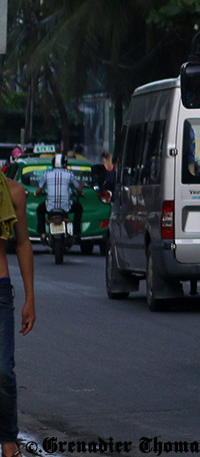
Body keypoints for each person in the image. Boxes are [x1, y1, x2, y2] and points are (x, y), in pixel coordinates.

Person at [0, 165, 35, 457]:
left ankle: (8, 441)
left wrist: (29, 298)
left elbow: (23, 243)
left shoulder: (13, 192)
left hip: (0, 291)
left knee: (3, 371)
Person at [35, 154, 82, 245]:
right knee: (78, 208)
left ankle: (43, 234)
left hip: (50, 207)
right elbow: (79, 189)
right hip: (66, 207)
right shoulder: (69, 174)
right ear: (64, 164)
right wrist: (80, 194)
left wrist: (37, 194)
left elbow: (39, 190)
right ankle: (76, 233)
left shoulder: (47, 174)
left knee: (39, 210)